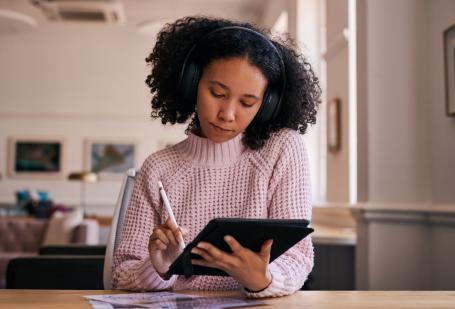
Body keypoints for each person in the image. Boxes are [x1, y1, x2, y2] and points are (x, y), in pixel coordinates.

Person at [112, 16, 321, 298]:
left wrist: (263, 279)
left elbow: (297, 258)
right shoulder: (159, 167)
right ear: (191, 84)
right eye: (217, 93)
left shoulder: (283, 150)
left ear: (267, 105)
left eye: (247, 102)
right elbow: (122, 273)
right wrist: (159, 268)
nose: (228, 114)